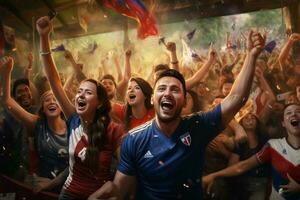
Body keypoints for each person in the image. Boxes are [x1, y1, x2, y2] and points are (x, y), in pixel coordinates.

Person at [88, 30, 266, 200]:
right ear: (152, 99)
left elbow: (236, 98)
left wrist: (251, 56)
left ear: (183, 100)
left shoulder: (198, 126)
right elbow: (120, 189)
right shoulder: (133, 140)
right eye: (162, 88)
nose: (167, 93)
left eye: (175, 90)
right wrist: (108, 194)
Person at [36, 16, 124, 199]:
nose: (81, 95)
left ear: (99, 102)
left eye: (88, 92)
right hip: (68, 195)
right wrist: (44, 37)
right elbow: (54, 80)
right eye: (79, 91)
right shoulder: (73, 119)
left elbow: (126, 173)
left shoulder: (114, 131)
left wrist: (107, 192)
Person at [203, 103, 300, 200]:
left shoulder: (263, 140)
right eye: (289, 113)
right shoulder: (273, 146)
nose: (294, 114)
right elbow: (242, 166)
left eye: (298, 112)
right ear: (283, 123)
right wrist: (214, 175)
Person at [0, 56, 69, 193]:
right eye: (47, 100)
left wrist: (55, 182)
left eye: (55, 99)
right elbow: (7, 100)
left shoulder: (72, 124)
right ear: (42, 108)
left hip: (67, 187)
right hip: (42, 187)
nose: (51, 102)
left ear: (62, 105)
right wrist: (6, 73)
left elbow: (77, 161)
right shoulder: (37, 124)